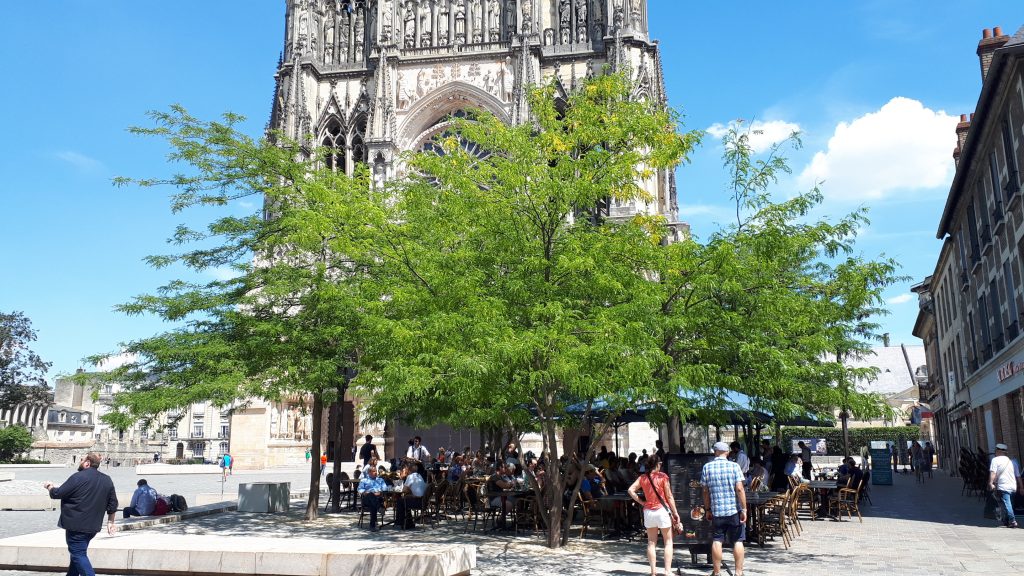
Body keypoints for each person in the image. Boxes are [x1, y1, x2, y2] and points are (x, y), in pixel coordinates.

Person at [43, 452, 118, 576]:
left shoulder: (78, 477)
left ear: (87, 463)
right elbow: (113, 503)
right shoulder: (107, 479)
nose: (80, 462)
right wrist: (111, 522)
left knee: (78, 554)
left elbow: (57, 493)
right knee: (77, 554)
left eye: (82, 460)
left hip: (76, 526)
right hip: (93, 527)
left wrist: (50, 486)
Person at [627, 454, 681, 576]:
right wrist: (675, 512)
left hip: (649, 512)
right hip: (662, 511)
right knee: (668, 541)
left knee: (651, 542)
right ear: (657, 464)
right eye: (660, 463)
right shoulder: (663, 477)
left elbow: (630, 490)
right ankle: (667, 571)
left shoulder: (643, 478)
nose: (661, 465)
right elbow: (669, 496)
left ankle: (653, 572)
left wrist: (641, 502)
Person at [701, 442, 747, 576]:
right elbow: (739, 488)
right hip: (733, 510)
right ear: (727, 452)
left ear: (715, 452)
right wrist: (744, 509)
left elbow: (705, 491)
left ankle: (717, 572)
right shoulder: (734, 466)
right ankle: (738, 572)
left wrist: (708, 509)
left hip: (716, 511)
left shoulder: (707, 467)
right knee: (738, 540)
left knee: (717, 540)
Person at [988, 443, 1020, 528]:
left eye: (995, 450)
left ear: (998, 451)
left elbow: (993, 472)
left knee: (1006, 504)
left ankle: (1012, 521)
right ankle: (1006, 521)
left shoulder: (995, 460)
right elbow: (1017, 475)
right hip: (1013, 486)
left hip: (1003, 486)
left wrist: (991, 483)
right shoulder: (1010, 461)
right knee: (1009, 504)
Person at [395, 462, 427, 529]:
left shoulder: (410, 477)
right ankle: (409, 522)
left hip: (417, 501)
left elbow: (404, 489)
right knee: (405, 500)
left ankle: (400, 522)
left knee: (400, 501)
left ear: (409, 470)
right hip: (423, 501)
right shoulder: (420, 476)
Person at [357, 465, 388, 531]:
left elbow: (385, 489)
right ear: (369, 473)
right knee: (371, 495)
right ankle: (380, 508)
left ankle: (372, 526)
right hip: (367, 499)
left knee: (373, 504)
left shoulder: (380, 480)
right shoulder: (364, 480)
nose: (376, 473)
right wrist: (367, 493)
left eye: (376, 471)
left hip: (378, 497)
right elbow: (360, 490)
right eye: (374, 471)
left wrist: (380, 493)